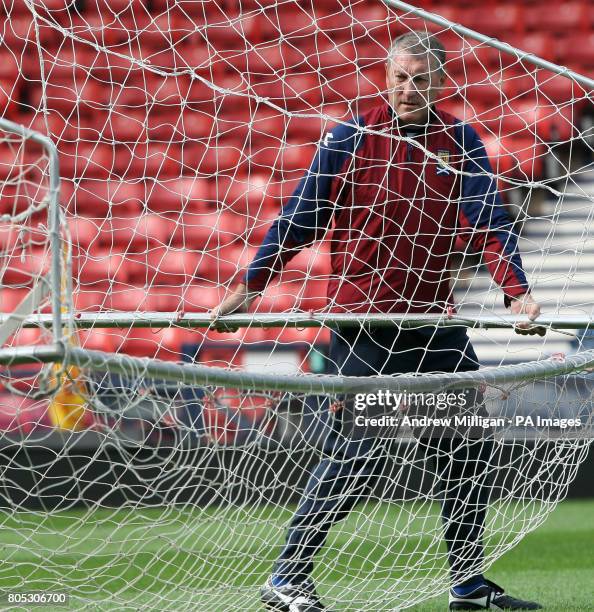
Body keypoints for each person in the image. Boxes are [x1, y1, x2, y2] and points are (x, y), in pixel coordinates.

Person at [212, 31, 544, 611]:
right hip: (362, 324)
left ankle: (467, 585)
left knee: (468, 448)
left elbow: (490, 223)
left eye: (421, 79)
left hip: (432, 322)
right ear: (385, 78)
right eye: (399, 77)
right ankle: (286, 578)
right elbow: (300, 216)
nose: (408, 88)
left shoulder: (458, 140)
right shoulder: (351, 136)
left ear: (442, 82)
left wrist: (516, 293)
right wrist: (251, 284)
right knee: (358, 453)